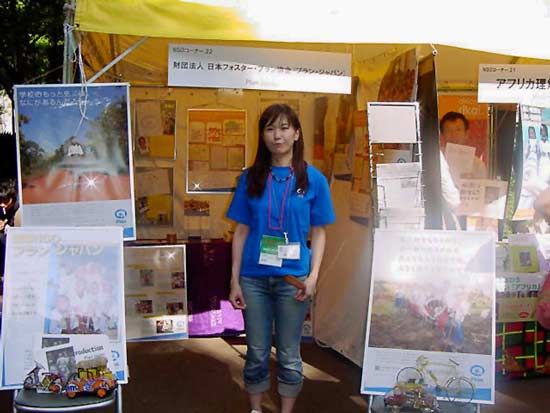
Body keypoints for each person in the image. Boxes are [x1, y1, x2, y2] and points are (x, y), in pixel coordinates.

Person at [227, 104, 335, 413]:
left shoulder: (314, 180)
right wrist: (234, 280)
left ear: (297, 133)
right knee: (257, 351)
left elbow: (321, 231)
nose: (278, 135)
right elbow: (241, 231)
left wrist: (313, 277)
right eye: (271, 128)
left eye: (285, 128)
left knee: (289, 352)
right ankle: (256, 409)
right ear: (262, 135)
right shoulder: (250, 179)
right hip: (253, 279)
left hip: (294, 280)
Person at [0, 180, 19, 279]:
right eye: (0, 201)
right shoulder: (2, 208)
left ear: (13, 198)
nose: (2, 204)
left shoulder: (19, 209)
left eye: (5, 201)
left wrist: (7, 227)